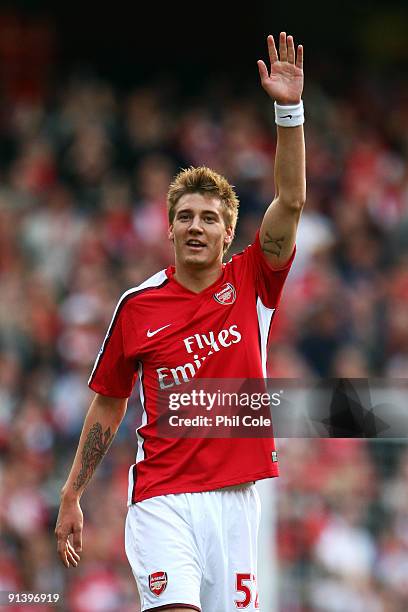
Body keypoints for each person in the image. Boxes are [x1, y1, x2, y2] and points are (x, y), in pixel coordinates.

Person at [55, 31, 305, 612]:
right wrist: (72, 494)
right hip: (163, 500)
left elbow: (290, 201)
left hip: (237, 503)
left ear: (228, 231)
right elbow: (109, 404)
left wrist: (288, 110)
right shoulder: (137, 306)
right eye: (185, 216)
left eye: (210, 218)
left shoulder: (253, 281)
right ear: (168, 228)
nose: (196, 226)